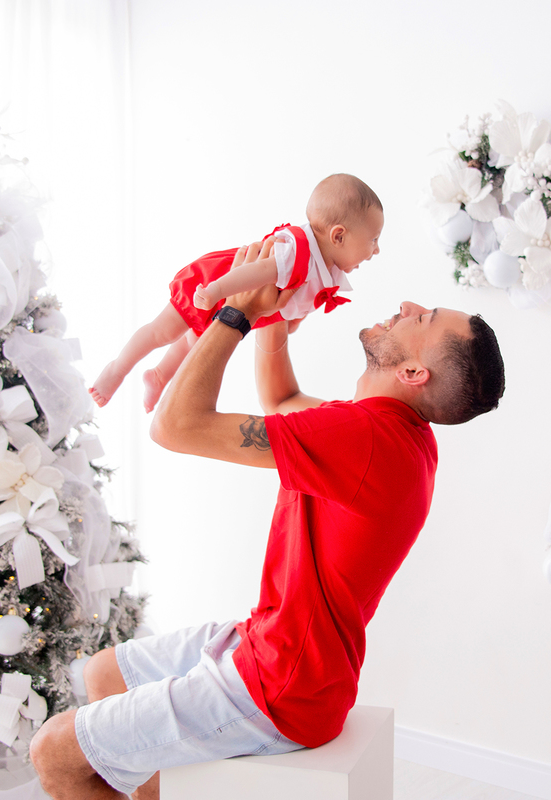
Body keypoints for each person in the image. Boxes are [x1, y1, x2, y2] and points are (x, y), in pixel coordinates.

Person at [31, 238, 505, 800]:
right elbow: (281, 401)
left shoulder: (365, 440)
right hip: (272, 648)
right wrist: (276, 316)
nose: (404, 305)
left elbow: (173, 426)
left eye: (420, 317)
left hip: (280, 689)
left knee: (54, 752)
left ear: (411, 371)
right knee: (102, 677)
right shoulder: (392, 431)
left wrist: (237, 312)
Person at [89, 173, 383, 413]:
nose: (376, 250)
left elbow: (294, 302)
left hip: (238, 305)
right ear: (339, 236)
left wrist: (292, 320)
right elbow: (258, 272)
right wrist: (216, 289)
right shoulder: (297, 252)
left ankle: (159, 375)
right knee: (163, 332)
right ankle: (117, 369)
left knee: (194, 341)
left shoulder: (325, 269)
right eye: (373, 240)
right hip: (217, 283)